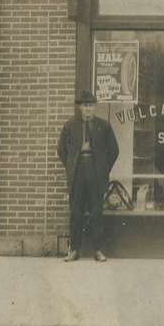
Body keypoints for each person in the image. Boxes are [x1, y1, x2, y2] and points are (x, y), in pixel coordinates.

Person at [57, 90, 119, 262]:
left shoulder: (104, 126)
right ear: (80, 107)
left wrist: (103, 168)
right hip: (77, 171)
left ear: (95, 107)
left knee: (96, 211)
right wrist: (71, 167)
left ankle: (98, 250)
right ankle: (74, 250)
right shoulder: (70, 125)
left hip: (96, 172)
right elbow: (61, 150)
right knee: (75, 211)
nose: (88, 110)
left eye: (91, 106)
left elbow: (114, 150)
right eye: (85, 106)